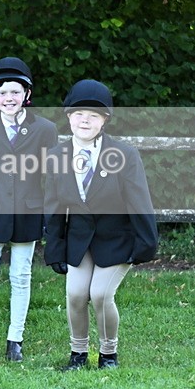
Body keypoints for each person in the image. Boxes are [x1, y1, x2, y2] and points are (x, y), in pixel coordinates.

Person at [43, 79, 158, 370]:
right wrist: (54, 249)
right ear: (68, 116)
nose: (85, 119)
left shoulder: (124, 155)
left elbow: (139, 202)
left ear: (104, 120)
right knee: (76, 293)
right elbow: (55, 207)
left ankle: (108, 354)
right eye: (79, 113)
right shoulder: (56, 156)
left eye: (94, 115)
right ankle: (78, 353)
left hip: (117, 238)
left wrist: (146, 245)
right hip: (79, 239)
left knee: (101, 294)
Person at [0, 57, 58, 361]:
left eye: (15, 92)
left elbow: (52, 176)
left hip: (29, 211)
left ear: (26, 95)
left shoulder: (45, 129)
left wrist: (49, 214)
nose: (9, 99)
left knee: (20, 276)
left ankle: (14, 339)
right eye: (3, 93)